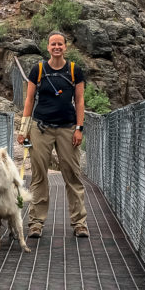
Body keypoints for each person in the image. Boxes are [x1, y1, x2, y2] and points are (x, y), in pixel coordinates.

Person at [16, 30, 89, 238]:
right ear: (48, 47)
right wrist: (24, 130)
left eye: (60, 44)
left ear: (65, 47)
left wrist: (79, 128)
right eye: (53, 44)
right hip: (41, 128)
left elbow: (80, 101)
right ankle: (36, 223)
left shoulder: (75, 70)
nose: (56, 47)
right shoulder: (37, 70)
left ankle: (79, 223)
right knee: (39, 176)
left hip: (67, 128)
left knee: (73, 176)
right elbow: (29, 101)